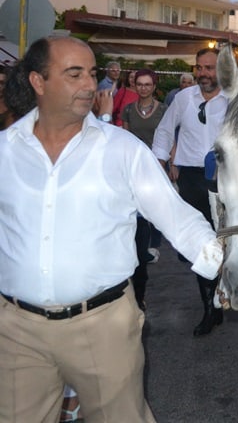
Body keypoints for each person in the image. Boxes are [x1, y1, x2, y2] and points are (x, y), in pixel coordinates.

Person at [0, 36, 222, 422]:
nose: (90, 85)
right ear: (38, 81)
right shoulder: (5, 150)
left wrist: (230, 271)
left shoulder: (121, 149)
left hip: (102, 328)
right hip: (17, 332)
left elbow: (176, 217)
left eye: (92, 73)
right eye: (74, 74)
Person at [152, 47, 228, 336]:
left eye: (209, 68)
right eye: (199, 67)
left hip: (227, 178)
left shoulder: (234, 98)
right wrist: (158, 165)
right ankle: (209, 307)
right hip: (193, 179)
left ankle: (225, 292)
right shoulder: (183, 99)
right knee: (201, 244)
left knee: (226, 238)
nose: (203, 73)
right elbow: (164, 132)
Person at [121, 69, 168, 309]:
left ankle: (151, 244)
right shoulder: (128, 109)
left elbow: (169, 136)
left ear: (154, 86)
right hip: (133, 168)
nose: (143, 88)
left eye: (147, 84)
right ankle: (142, 250)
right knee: (137, 217)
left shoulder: (162, 110)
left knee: (153, 211)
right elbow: (125, 138)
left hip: (156, 166)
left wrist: (171, 162)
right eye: (139, 84)